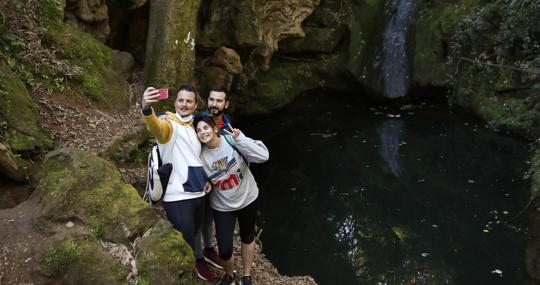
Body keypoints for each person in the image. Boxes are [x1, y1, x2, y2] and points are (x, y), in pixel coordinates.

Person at [141, 84, 214, 281]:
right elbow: (157, 127)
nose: (184, 104)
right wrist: (147, 109)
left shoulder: (195, 126)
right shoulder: (169, 125)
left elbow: (195, 158)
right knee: (186, 240)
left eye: (189, 101)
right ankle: (188, 276)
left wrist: (205, 179)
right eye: (180, 100)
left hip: (199, 192)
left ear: (195, 104)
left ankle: (199, 262)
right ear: (175, 102)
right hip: (177, 195)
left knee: (196, 233)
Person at [193, 115, 269, 285]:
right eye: (198, 130)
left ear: (214, 128)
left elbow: (263, 156)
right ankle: (229, 276)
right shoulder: (200, 155)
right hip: (223, 206)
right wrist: (207, 183)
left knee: (247, 237)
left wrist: (240, 139)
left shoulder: (231, 140)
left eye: (205, 127)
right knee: (225, 249)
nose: (202, 132)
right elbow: (201, 176)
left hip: (248, 198)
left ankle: (246, 276)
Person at [193, 84, 233, 275]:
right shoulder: (197, 120)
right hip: (198, 177)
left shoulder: (227, 124)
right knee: (198, 218)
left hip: (217, 179)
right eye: (211, 99)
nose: (214, 104)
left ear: (226, 104)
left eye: (218, 101)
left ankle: (209, 248)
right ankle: (197, 257)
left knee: (210, 216)